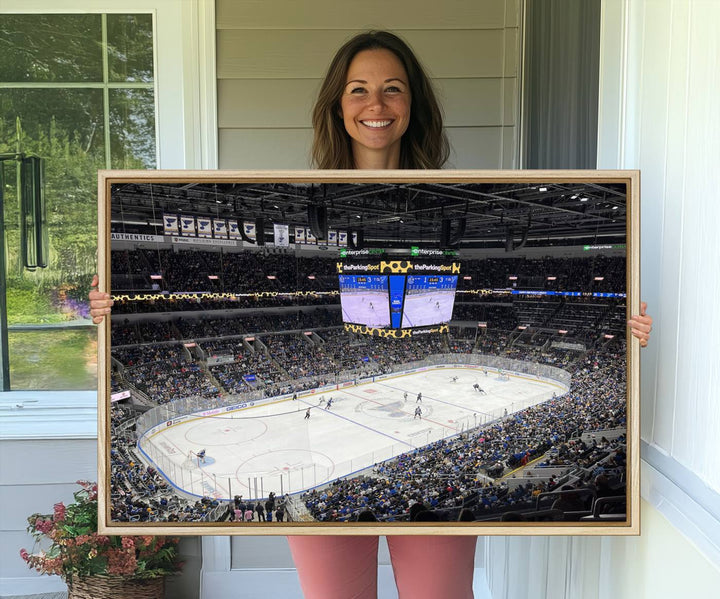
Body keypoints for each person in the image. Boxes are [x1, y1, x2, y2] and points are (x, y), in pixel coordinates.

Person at [89, 29, 654, 599]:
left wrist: (627, 331)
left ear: (414, 105)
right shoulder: (301, 201)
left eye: (392, 89)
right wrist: (108, 309)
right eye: (358, 89)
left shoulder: (457, 198)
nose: (375, 105)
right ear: (338, 104)